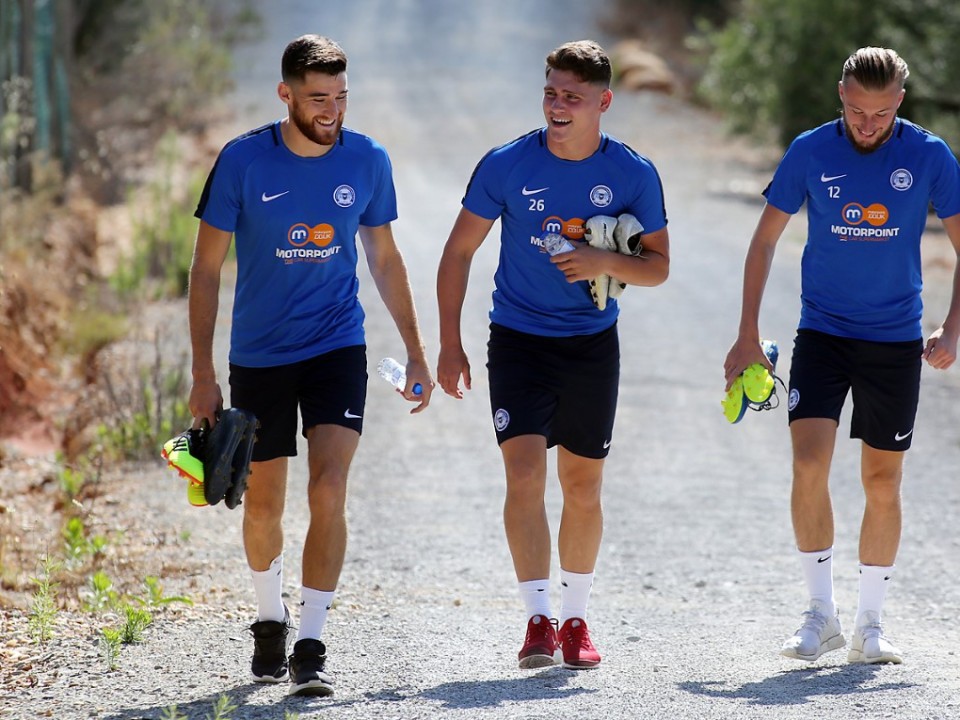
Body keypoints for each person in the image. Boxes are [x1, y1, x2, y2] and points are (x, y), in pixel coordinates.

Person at [187, 34, 433, 696]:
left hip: (337, 346)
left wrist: (416, 350)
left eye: (341, 97)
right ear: (286, 94)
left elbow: (384, 257)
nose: (332, 111)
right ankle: (270, 618)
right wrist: (203, 374)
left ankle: (311, 645)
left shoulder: (367, 158)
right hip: (260, 355)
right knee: (263, 503)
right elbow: (205, 269)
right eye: (319, 98)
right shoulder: (242, 161)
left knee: (329, 488)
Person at [436, 40, 669, 669]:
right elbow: (458, 252)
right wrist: (451, 344)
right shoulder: (506, 164)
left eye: (572, 96)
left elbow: (659, 267)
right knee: (523, 475)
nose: (558, 106)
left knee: (583, 484)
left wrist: (602, 262)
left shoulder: (634, 173)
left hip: (592, 345)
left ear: (604, 102)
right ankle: (538, 619)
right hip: (518, 340)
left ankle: (576, 621)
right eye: (551, 93)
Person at [724, 46, 960, 665]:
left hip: (894, 340)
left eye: (881, 114)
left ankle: (870, 624)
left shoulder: (930, 155)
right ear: (841, 96)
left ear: (900, 102)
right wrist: (747, 333)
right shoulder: (810, 150)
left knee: (882, 480)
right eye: (857, 111)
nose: (868, 124)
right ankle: (819, 613)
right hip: (823, 333)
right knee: (808, 464)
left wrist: (952, 328)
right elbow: (764, 241)